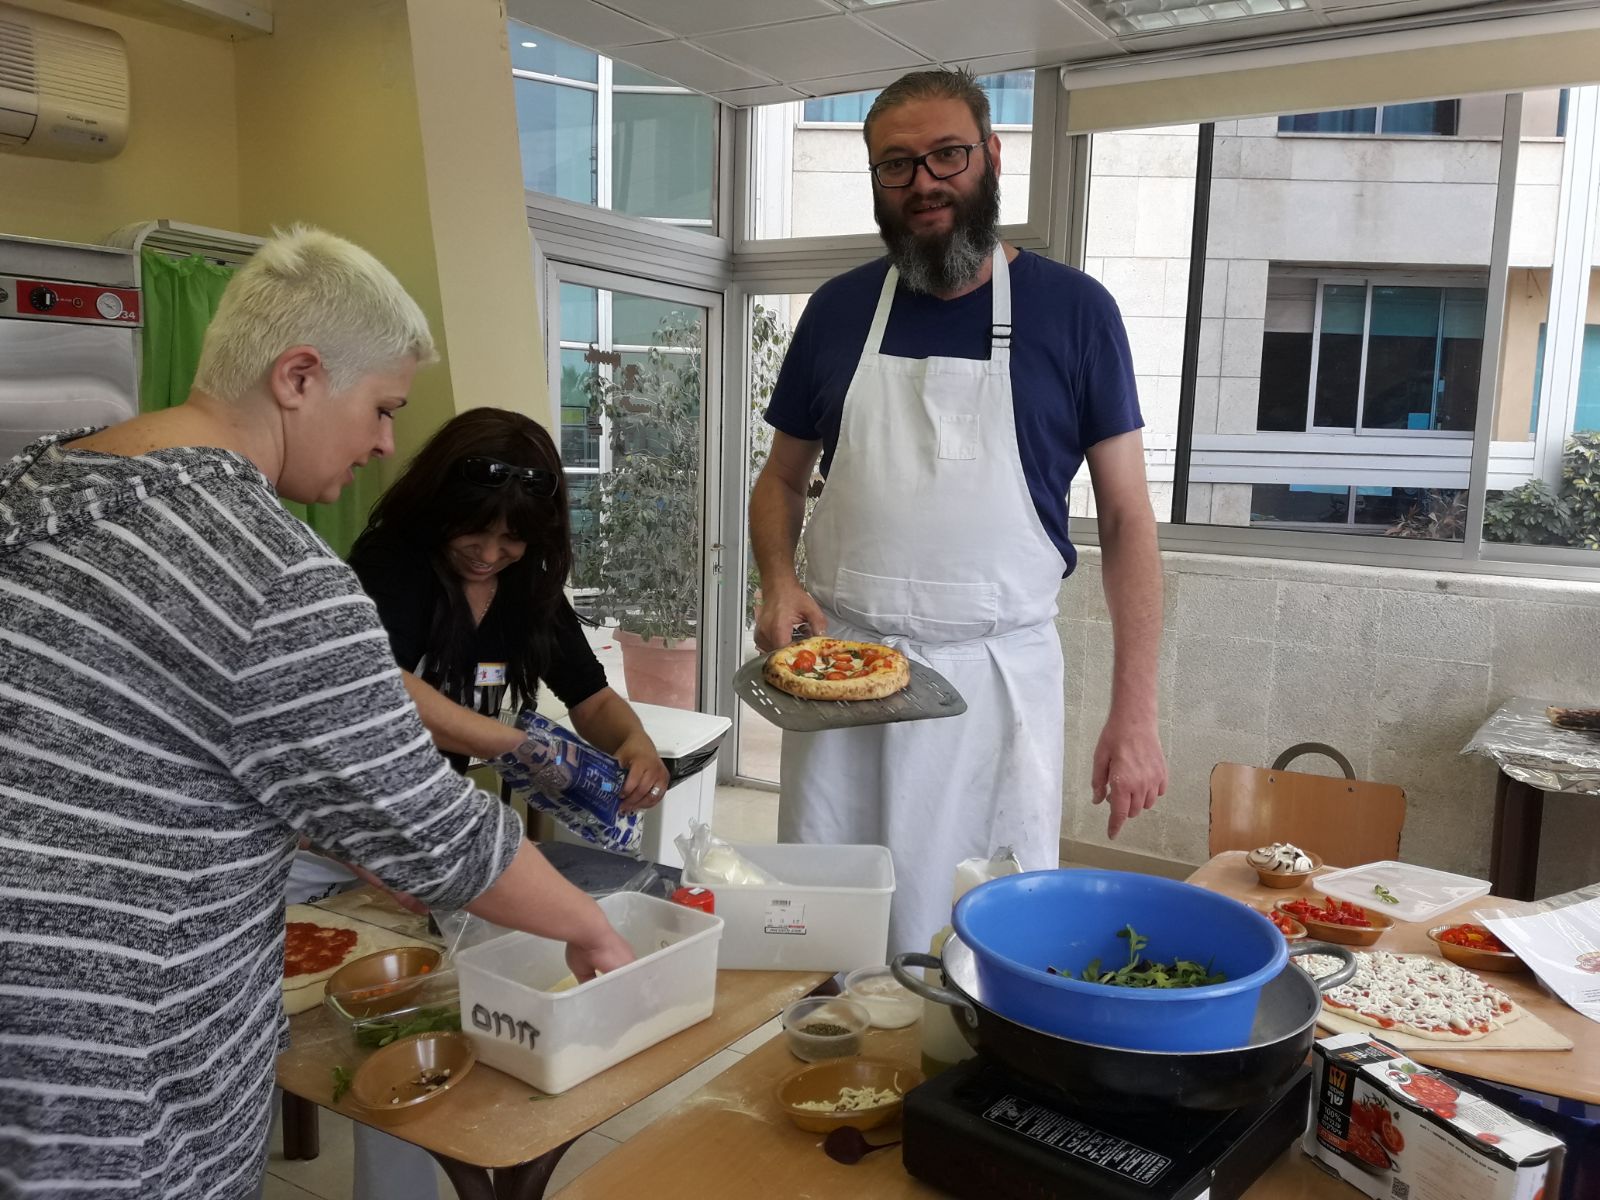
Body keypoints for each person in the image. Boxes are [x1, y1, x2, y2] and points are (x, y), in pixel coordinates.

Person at [0, 226, 634, 1200]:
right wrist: (589, 929)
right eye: (381, 407)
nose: (385, 442)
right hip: (104, 1063)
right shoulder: (269, 574)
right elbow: (432, 829)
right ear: (297, 376)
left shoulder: (36, 479)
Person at [749, 69, 1168, 957]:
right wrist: (779, 579)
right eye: (896, 165)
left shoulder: (1076, 314)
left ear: (993, 157)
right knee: (831, 931)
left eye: (947, 154)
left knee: (979, 942)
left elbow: (1129, 520)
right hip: (845, 686)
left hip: (991, 689)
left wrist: (1135, 715)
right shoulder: (835, 313)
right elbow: (781, 480)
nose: (924, 182)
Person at [347, 407, 670, 813]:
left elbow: (593, 699)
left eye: (511, 540)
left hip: (420, 816)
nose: (487, 555)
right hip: (336, 812)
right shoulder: (390, 565)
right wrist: (511, 743)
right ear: (437, 507)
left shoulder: (528, 587)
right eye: (473, 531)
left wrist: (634, 741)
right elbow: (374, 684)